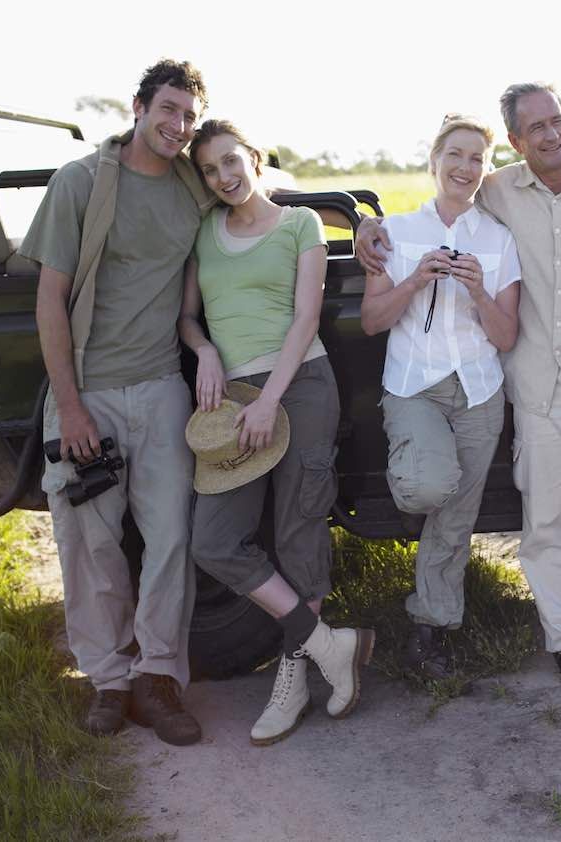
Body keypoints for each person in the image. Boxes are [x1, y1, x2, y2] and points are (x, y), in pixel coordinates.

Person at [357, 84, 561, 693]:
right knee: (541, 524)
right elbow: (443, 193)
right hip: (536, 382)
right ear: (516, 141)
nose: (550, 134)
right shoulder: (496, 187)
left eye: (556, 120)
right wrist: (367, 226)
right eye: (534, 127)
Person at [21, 59, 212, 745]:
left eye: (189, 116)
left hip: (161, 384)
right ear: (138, 107)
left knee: (170, 540)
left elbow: (252, 189)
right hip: (89, 390)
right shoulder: (81, 183)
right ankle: (107, 680)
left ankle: (158, 679)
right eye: (168, 110)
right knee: (90, 544)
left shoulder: (194, 185)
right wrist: (70, 406)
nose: (178, 126)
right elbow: (50, 297)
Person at [181, 119, 375, 746]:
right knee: (213, 539)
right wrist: (205, 349)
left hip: (302, 385)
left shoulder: (300, 225)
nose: (224, 178)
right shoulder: (204, 233)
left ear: (254, 159)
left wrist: (271, 399)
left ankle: (290, 682)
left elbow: (306, 318)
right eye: (210, 170)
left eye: (231, 162)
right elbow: (187, 316)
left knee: (298, 529)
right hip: (235, 397)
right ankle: (329, 645)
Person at [359, 115, 521, 680]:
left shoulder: (499, 240)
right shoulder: (394, 233)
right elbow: (373, 322)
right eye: (455, 155)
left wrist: (477, 288)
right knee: (431, 488)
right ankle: (415, 496)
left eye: (476, 158)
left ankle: (431, 629)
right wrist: (412, 281)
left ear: (485, 168)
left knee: (458, 515)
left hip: (479, 386)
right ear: (434, 162)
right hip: (413, 383)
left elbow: (506, 337)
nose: (464, 167)